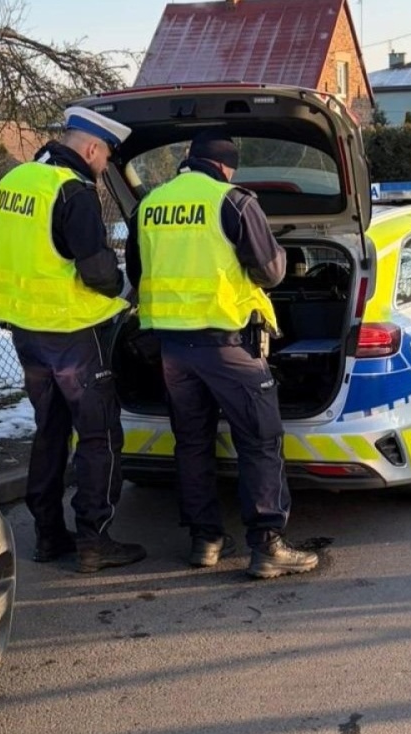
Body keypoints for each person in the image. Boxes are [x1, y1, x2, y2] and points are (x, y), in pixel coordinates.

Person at [124, 128, 320, 579]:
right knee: (260, 439)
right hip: (228, 346)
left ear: (187, 160)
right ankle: (267, 544)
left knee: (192, 442)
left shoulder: (149, 206)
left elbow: (138, 271)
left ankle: (205, 539)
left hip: (171, 349)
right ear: (226, 166)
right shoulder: (233, 201)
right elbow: (270, 272)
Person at [0, 106, 147, 574]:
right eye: (104, 155)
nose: (101, 164)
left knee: (49, 429)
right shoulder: (74, 190)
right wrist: (122, 286)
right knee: (98, 436)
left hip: (26, 333)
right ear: (91, 148)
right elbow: (97, 273)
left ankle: (48, 536)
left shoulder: (12, 182)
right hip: (74, 334)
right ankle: (94, 540)